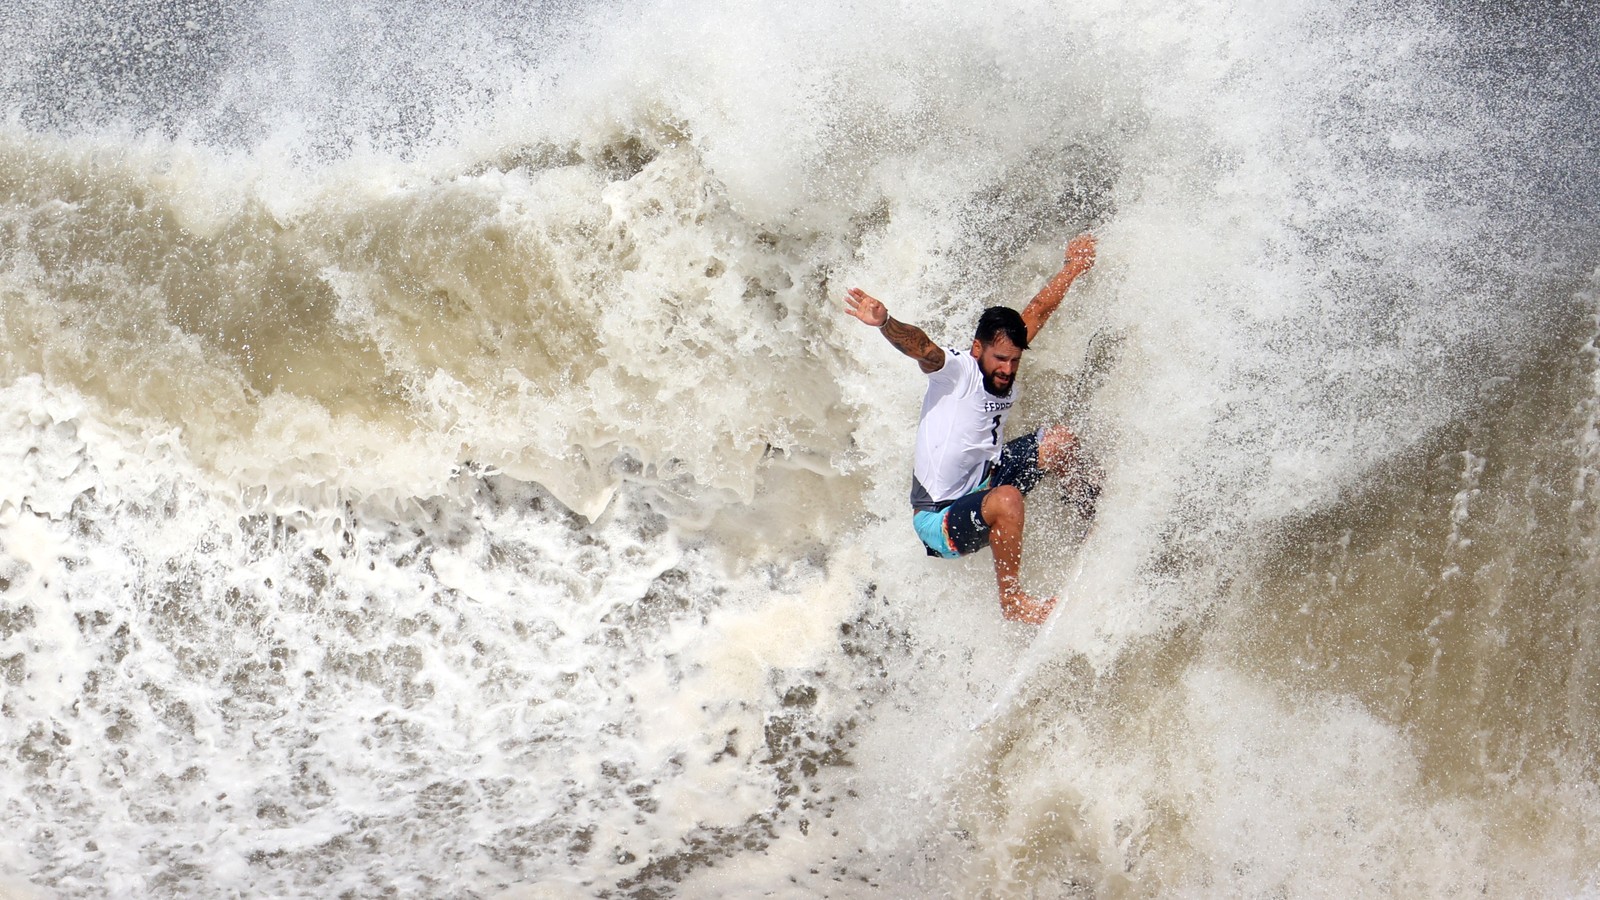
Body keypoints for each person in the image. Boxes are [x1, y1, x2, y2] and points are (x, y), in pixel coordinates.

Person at [844, 234, 1101, 624]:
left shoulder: (1004, 359)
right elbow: (922, 348)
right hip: (940, 518)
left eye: (1014, 360)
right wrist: (885, 323)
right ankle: (1013, 602)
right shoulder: (956, 371)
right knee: (1008, 500)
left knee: (1059, 442)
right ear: (977, 349)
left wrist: (1074, 266)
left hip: (985, 483)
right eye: (1000, 359)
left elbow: (1038, 310)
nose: (1007, 370)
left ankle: (1094, 517)